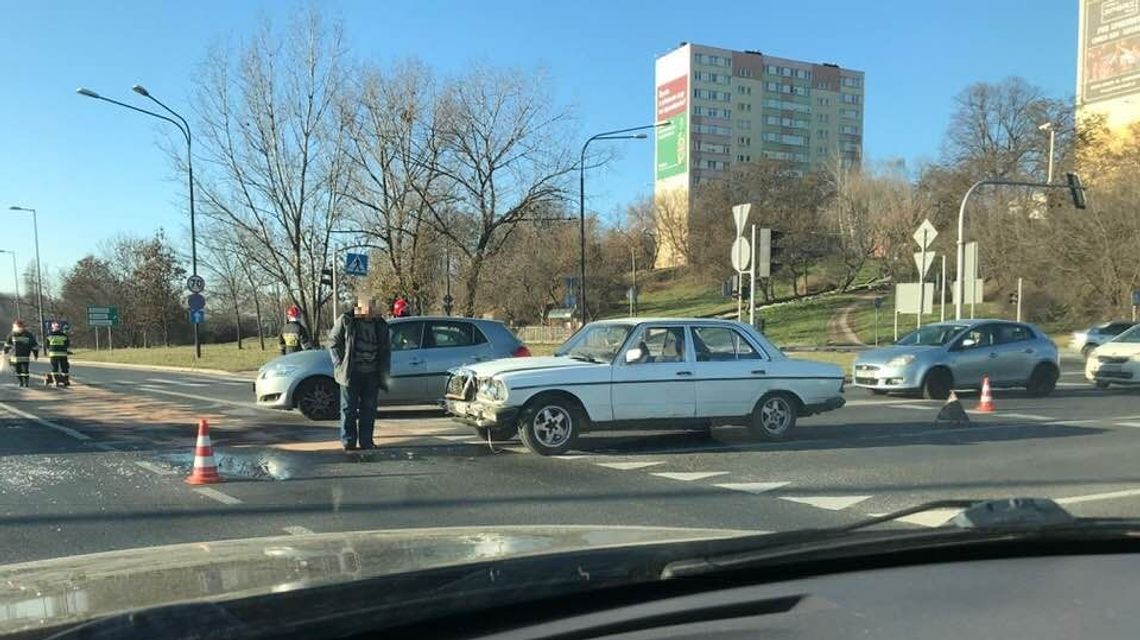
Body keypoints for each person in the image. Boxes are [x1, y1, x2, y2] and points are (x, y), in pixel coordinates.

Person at [328, 297, 391, 452]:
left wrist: (383, 373)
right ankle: (348, 441)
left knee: (368, 409)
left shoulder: (381, 325)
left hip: (372, 373)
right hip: (351, 372)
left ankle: (366, 441)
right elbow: (333, 342)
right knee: (348, 409)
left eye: (373, 307)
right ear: (359, 307)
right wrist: (340, 363)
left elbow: (385, 349)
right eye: (367, 307)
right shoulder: (346, 320)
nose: (371, 311)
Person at [3, 319, 38, 388]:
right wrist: (35, 354)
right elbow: (34, 346)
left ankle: (22, 382)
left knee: (19, 370)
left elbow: (7, 345)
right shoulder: (28, 335)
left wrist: (5, 352)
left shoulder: (12, 335)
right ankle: (24, 382)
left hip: (16, 357)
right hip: (24, 356)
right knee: (24, 370)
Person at [44, 321, 71, 387]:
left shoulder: (49, 335)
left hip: (53, 354)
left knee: (54, 367)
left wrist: (50, 349)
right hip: (63, 354)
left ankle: (56, 381)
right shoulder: (64, 335)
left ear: (52, 327)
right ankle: (66, 381)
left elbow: (46, 345)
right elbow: (67, 344)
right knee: (64, 368)